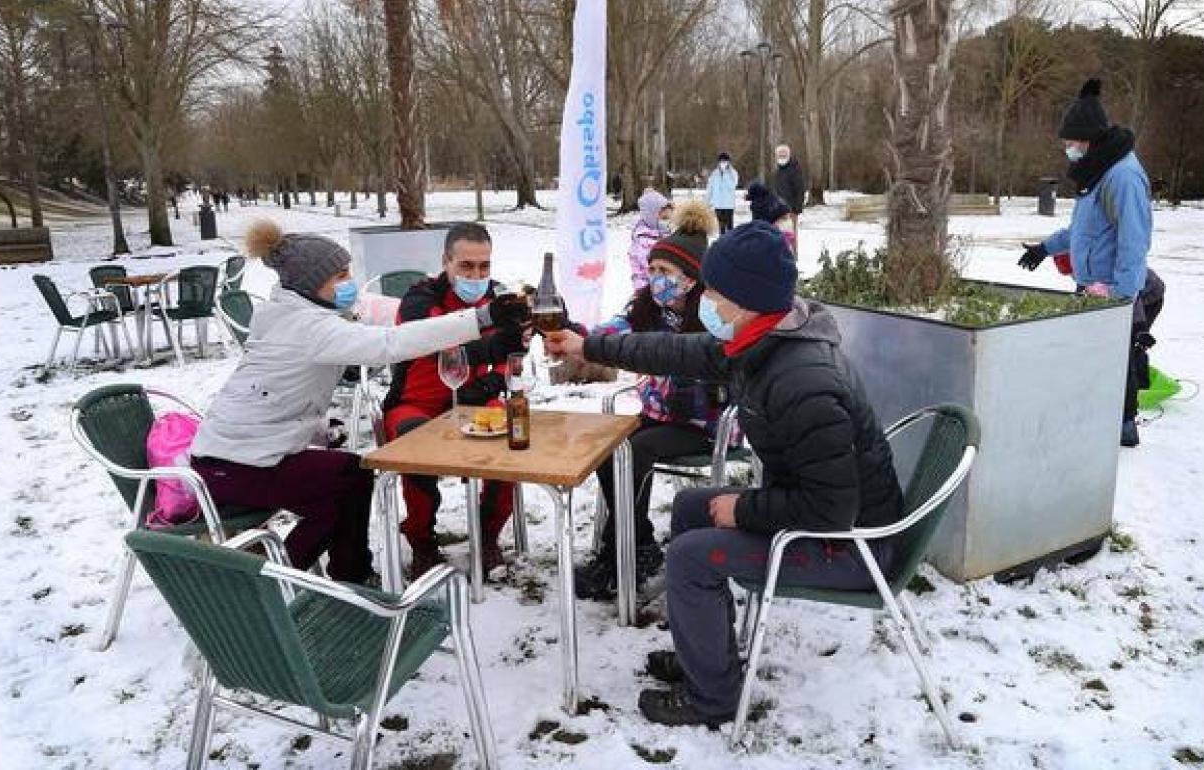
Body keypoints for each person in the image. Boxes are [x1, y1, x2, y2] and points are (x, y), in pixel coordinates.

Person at [545, 221, 904, 727]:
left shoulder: (803, 382)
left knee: (691, 556)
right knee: (691, 508)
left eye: (713, 292)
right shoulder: (764, 340)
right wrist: (589, 347)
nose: (705, 301)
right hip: (827, 524)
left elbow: (831, 510)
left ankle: (714, 698)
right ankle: (706, 656)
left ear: (744, 301)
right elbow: (673, 351)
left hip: (851, 549)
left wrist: (744, 508)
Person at [190, 220, 523, 585]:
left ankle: (333, 573)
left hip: (238, 454)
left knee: (347, 479)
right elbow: (389, 344)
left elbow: (280, 388)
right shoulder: (310, 327)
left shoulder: (291, 315)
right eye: (341, 276)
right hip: (239, 464)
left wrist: (321, 426)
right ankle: (275, 579)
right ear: (312, 284)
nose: (351, 282)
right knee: (346, 483)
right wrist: (482, 318)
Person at [571, 200, 727, 600]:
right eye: (653, 269)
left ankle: (617, 557)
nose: (656, 278)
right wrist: (578, 336)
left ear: (691, 278)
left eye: (665, 271)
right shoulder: (647, 307)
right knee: (609, 451)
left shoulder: (711, 315)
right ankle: (637, 544)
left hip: (703, 424)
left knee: (635, 452)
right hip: (659, 415)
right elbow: (611, 331)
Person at [1017, 78, 1164, 448]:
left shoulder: (1123, 176)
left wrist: (1120, 295)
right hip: (1090, 288)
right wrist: (1044, 249)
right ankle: (1090, 416)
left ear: (1089, 140)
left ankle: (1124, 425)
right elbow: (1082, 230)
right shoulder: (1097, 172)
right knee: (1090, 357)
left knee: (1118, 357)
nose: (1067, 149)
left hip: (1111, 291)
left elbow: (1134, 242)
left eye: (1071, 142)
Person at [380, 222, 532, 579]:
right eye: (466, 266)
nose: (476, 275)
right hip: (415, 403)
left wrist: (496, 377)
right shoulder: (420, 299)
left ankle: (488, 535)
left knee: (514, 436)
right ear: (446, 262)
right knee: (416, 444)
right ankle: (421, 540)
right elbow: (440, 345)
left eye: (484, 266)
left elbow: (512, 357)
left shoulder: (499, 299)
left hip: (475, 402)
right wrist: (495, 346)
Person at [627, 188, 673, 291]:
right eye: (664, 218)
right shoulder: (643, 240)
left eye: (668, 219)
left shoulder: (662, 234)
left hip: (661, 286)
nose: (667, 222)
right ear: (652, 217)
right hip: (646, 288)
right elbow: (652, 266)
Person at [769, 144, 808, 240]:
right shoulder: (777, 172)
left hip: (791, 210)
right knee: (778, 237)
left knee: (790, 237)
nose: (782, 157)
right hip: (777, 210)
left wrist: (797, 208)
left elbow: (800, 190)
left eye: (784, 154)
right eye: (780, 155)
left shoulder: (794, 170)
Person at [746, 181, 795, 253]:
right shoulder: (772, 197)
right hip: (786, 224)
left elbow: (759, 224)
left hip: (778, 228)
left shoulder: (759, 204)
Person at [705, 152, 739, 234]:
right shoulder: (714, 174)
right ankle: (722, 240)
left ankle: (730, 240)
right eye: (721, 161)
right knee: (721, 227)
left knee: (730, 227)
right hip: (718, 204)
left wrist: (726, 175)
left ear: (728, 162)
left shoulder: (733, 173)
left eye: (725, 161)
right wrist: (706, 202)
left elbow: (733, 186)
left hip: (728, 205)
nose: (723, 163)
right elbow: (710, 188)